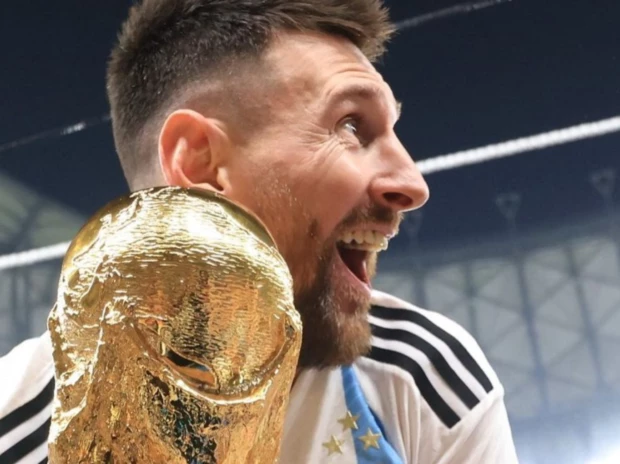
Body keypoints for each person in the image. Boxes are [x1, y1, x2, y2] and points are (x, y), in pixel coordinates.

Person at [0, 0, 518, 462]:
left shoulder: (427, 381)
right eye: (351, 125)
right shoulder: (15, 430)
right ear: (201, 165)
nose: (412, 184)